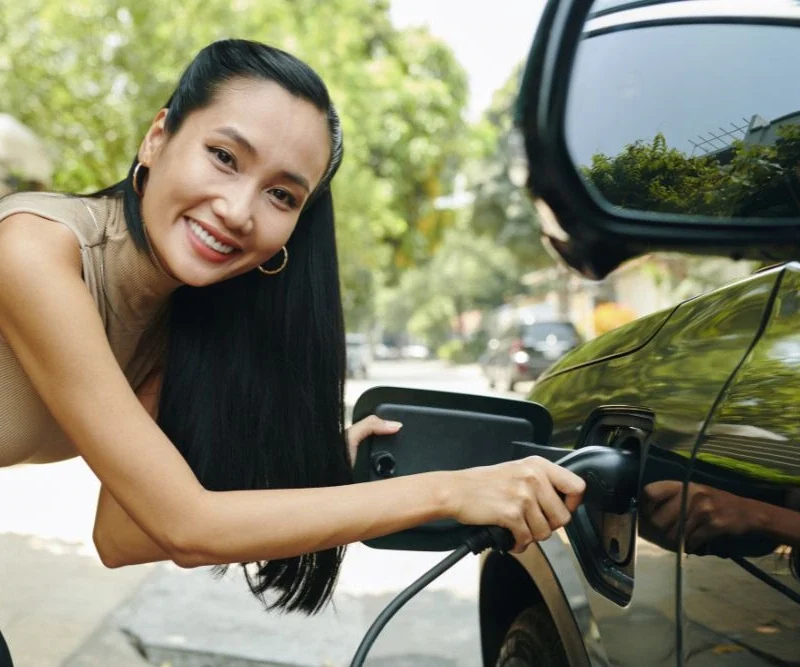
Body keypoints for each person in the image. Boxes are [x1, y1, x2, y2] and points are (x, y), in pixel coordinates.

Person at [0, 39, 585, 664]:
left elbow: (123, 535)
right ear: (157, 138)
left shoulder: (177, 320)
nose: (238, 211)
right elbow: (186, 525)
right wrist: (450, 493)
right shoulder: (32, 249)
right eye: (224, 157)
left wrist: (322, 463)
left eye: (281, 195)